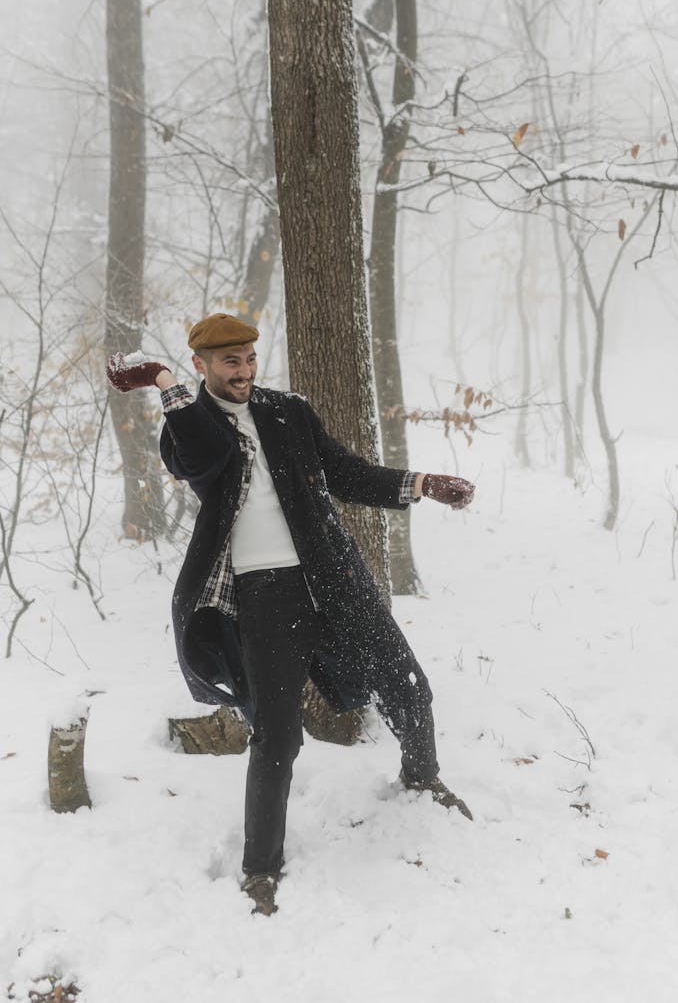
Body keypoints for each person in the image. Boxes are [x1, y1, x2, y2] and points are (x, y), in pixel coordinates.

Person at [106, 313, 475, 916]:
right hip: (263, 596)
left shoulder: (288, 411)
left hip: (333, 577)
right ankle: (260, 868)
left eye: (249, 359)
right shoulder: (185, 427)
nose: (245, 372)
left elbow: (346, 472)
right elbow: (202, 458)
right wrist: (164, 380)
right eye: (230, 363)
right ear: (201, 366)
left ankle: (421, 781)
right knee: (277, 735)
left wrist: (421, 484)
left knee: (407, 685)